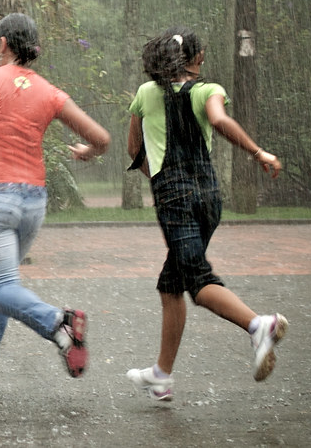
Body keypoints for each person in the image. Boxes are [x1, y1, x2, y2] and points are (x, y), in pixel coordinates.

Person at [0, 13, 111, 392]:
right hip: (32, 201)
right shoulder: (49, 92)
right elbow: (102, 137)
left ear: (2, 44)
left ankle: (58, 323)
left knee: (0, 288)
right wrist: (88, 151)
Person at [124, 26, 286, 402]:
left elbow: (135, 148)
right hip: (209, 197)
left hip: (175, 200)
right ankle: (161, 375)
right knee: (170, 284)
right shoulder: (208, 91)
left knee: (197, 280)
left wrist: (161, 177)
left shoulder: (146, 94)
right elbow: (218, 121)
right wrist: (257, 152)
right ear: (195, 59)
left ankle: (258, 325)